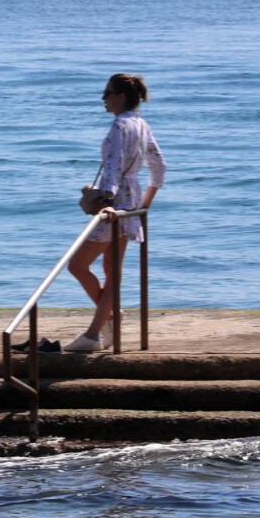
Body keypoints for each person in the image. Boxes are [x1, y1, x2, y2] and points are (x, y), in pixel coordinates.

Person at [66, 73, 167, 352]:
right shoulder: (142, 124)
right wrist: (145, 202)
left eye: (107, 93)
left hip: (115, 203)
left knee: (77, 265)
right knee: (111, 269)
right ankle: (104, 320)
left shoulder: (120, 126)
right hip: (132, 202)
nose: (103, 99)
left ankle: (97, 330)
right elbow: (159, 166)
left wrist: (107, 199)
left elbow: (112, 166)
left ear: (121, 97)